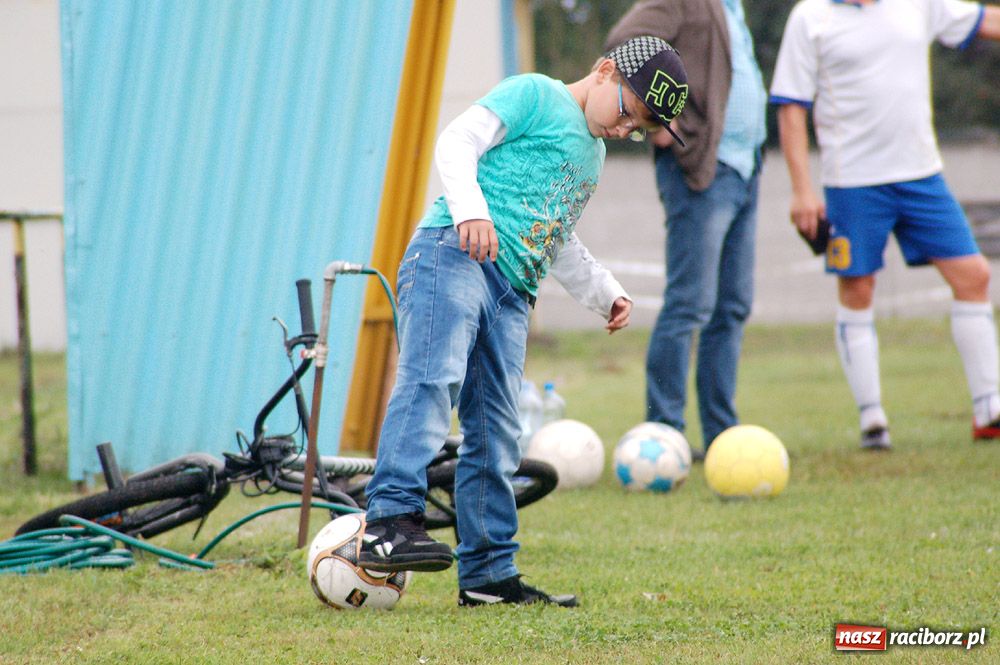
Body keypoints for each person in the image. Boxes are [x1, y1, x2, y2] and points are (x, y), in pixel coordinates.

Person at [358, 37, 689, 607]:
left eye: (637, 128)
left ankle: (488, 575)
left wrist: (602, 290)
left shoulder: (593, 155)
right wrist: (471, 212)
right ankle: (387, 523)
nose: (624, 130)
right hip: (452, 256)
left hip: (513, 292)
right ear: (604, 69)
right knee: (433, 379)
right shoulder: (534, 94)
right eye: (626, 111)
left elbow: (552, 234)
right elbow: (458, 141)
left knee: (498, 430)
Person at [770, 0, 1000, 449]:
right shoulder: (811, 17)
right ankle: (872, 420)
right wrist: (802, 190)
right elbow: (791, 108)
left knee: (974, 275)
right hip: (852, 182)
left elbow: (984, 19)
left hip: (922, 176)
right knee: (858, 289)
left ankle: (988, 408)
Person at [605, 0, 768, 460]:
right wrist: (659, 119)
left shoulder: (733, 8)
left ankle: (721, 437)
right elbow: (624, 42)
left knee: (731, 306)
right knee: (690, 304)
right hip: (701, 168)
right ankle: (663, 435)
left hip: (744, 168)